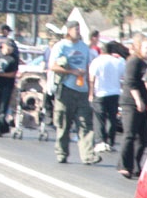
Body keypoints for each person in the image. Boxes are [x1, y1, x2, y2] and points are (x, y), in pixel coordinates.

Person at [50, 20, 98, 164]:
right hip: (66, 89)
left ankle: (88, 155)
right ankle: (62, 152)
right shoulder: (61, 46)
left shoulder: (84, 47)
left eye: (79, 28)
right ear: (68, 30)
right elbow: (53, 66)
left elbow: (88, 66)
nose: (77, 31)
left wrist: (90, 90)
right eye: (75, 29)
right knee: (64, 123)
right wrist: (72, 71)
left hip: (81, 90)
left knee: (85, 123)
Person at [117, 34, 147, 180]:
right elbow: (130, 82)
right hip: (131, 102)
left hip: (146, 102)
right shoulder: (134, 61)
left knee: (143, 138)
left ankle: (136, 164)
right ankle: (124, 165)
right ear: (139, 48)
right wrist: (138, 100)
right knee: (129, 134)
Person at [89, 41, 126, 152]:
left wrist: (91, 93)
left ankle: (100, 141)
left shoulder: (97, 61)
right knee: (112, 118)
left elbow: (92, 79)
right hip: (115, 93)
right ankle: (110, 141)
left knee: (99, 118)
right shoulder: (119, 62)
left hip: (100, 93)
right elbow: (123, 77)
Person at [0, 38, 19, 137]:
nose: (10, 50)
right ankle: (3, 127)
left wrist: (1, 74)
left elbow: (13, 74)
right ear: (3, 46)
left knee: (3, 108)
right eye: (8, 47)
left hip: (7, 85)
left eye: (11, 48)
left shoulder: (13, 58)